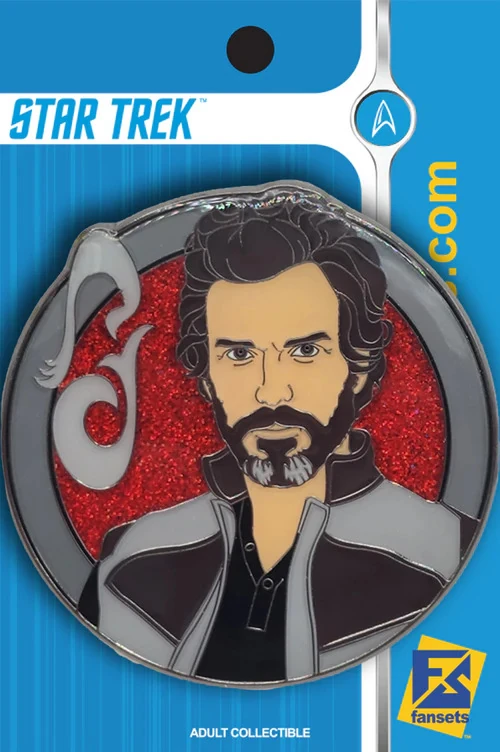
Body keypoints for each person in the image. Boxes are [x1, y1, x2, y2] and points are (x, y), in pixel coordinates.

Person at [79, 194, 475, 683]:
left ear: (357, 371)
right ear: (207, 380)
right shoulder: (128, 565)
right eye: (239, 355)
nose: (271, 391)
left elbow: (441, 715)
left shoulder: (449, 555)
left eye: (305, 351)